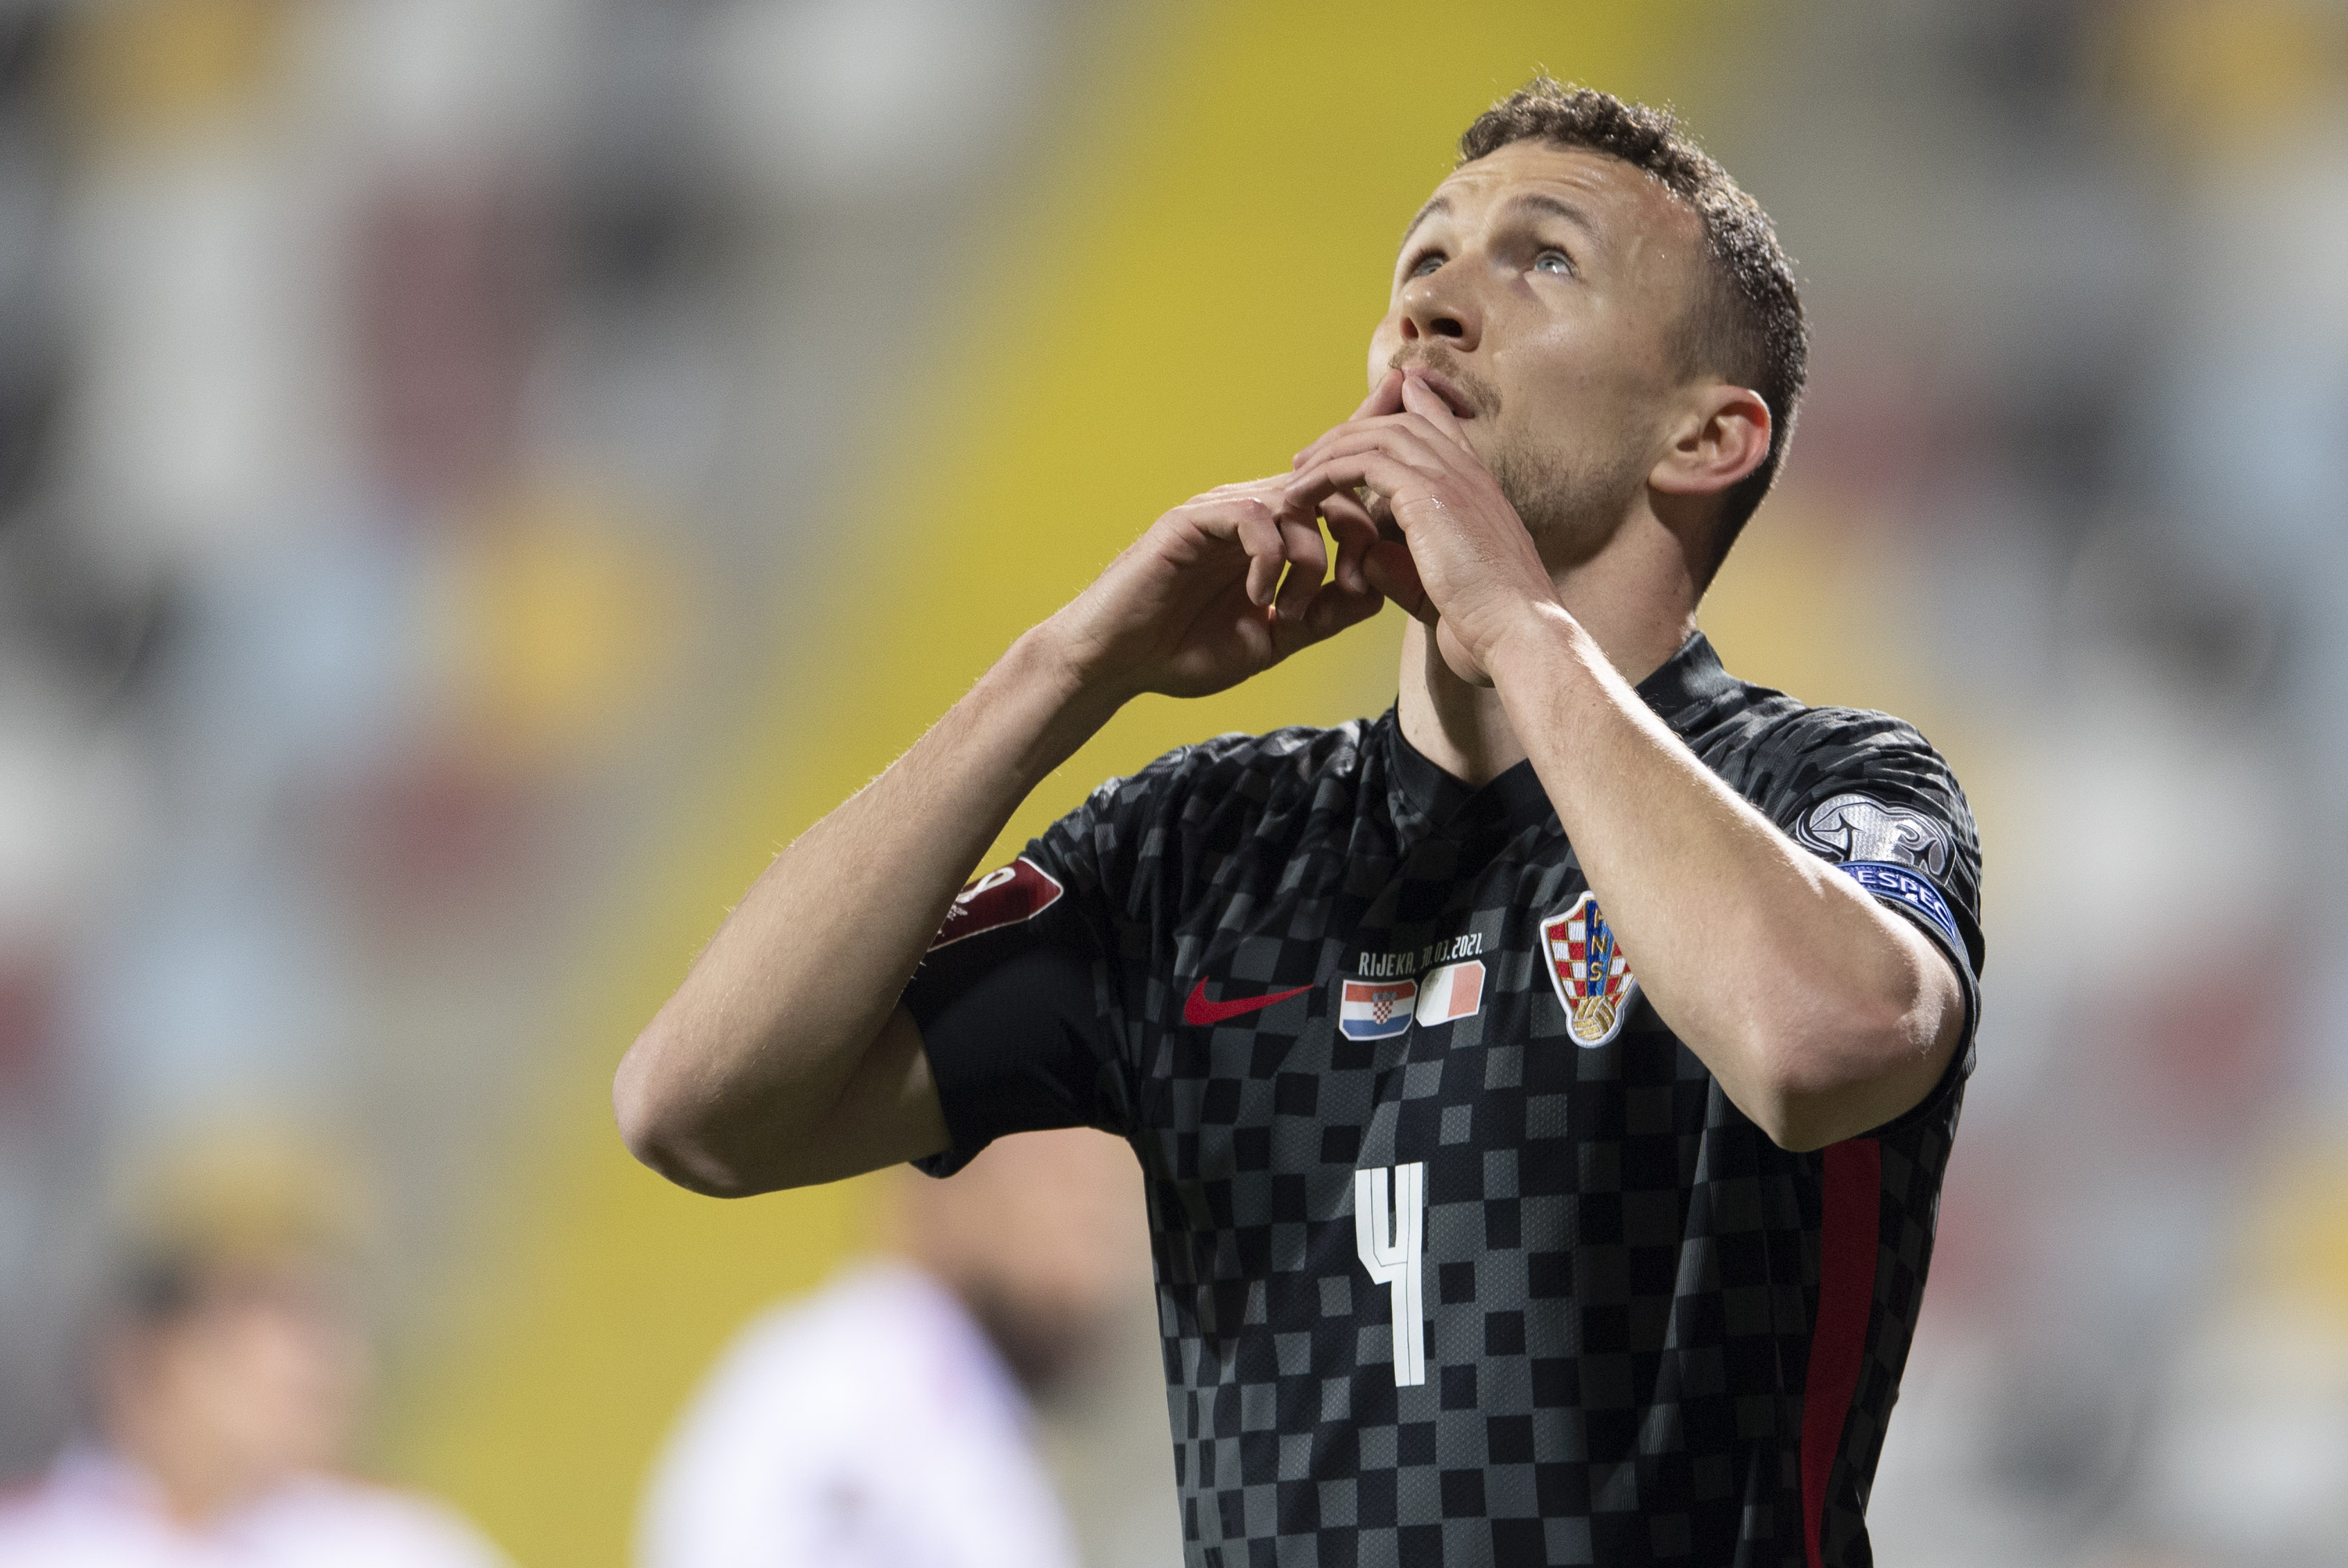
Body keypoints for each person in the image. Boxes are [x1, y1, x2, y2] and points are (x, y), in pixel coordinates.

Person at [614, 76, 1985, 1566]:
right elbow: (696, 1105)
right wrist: (1065, 668)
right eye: (1423, 259)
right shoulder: (1200, 848)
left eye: (1543, 259)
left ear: (1707, 437)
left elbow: (1819, 1040)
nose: (1435, 305)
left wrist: (1513, 623)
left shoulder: (1823, 786)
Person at [0, 1137, 512, 1568]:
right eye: (266, 1304)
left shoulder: (403, 1547)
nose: (314, 1353)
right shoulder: (11, 1547)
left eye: (327, 1309)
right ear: (143, 1350)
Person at [636, 1128, 1147, 1568]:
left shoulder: (966, 1422)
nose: (1094, 1206)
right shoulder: (848, 1394)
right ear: (937, 1172)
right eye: (1058, 1165)